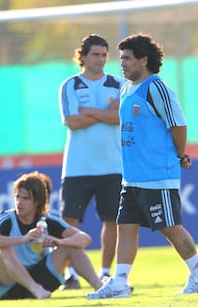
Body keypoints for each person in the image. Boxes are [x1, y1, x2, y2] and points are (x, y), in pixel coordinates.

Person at [87, 33, 198, 300]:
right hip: (132, 177)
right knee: (126, 226)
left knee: (169, 227)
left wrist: (180, 155)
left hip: (157, 174)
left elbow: (178, 124)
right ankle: (120, 282)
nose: (121, 63)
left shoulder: (157, 88)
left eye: (127, 58)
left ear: (144, 60)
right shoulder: (125, 88)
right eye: (120, 58)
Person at [58, 34, 124, 289]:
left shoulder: (118, 84)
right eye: (95, 54)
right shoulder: (70, 85)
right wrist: (105, 114)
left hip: (112, 166)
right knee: (69, 223)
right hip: (77, 167)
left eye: (104, 54)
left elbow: (119, 117)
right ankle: (72, 274)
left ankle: (106, 272)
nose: (100, 59)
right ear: (83, 57)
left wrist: (92, 112)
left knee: (113, 221)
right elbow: (72, 121)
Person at [0, 172, 103, 300]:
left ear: (37, 202)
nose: (19, 202)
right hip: (7, 287)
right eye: (17, 197)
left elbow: (85, 239)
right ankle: (35, 289)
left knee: (71, 246)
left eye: (25, 198)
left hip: (41, 281)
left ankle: (100, 287)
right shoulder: (4, 219)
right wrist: (23, 239)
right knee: (5, 250)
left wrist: (59, 242)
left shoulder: (48, 220)